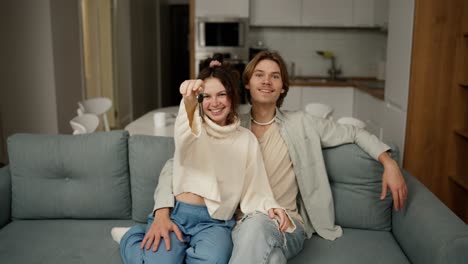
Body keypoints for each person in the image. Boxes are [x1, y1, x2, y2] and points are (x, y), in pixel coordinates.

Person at [148, 51, 408, 263]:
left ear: (283, 88)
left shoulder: (303, 123)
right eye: (259, 75)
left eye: (275, 77)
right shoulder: (229, 126)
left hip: (288, 222)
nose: (266, 81)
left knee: (258, 226)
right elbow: (177, 164)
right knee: (271, 259)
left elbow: (354, 132)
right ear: (247, 84)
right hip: (239, 221)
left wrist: (389, 162)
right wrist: (162, 212)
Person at [111, 54, 293, 264]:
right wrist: (188, 101)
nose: (214, 103)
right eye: (206, 96)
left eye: (221, 94)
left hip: (215, 223)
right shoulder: (194, 129)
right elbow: (185, 136)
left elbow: (255, 186)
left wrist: (270, 205)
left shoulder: (246, 139)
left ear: (232, 97)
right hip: (177, 216)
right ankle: (129, 237)